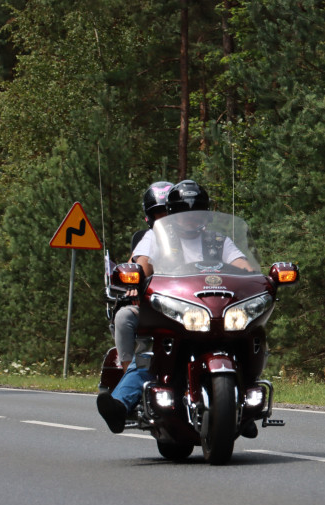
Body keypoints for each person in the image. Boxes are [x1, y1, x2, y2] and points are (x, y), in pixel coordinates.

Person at [96, 179, 252, 434]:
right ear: (173, 214)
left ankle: (243, 404)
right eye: (183, 212)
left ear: (205, 213)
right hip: (167, 310)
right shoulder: (155, 237)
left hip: (212, 310)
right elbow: (142, 264)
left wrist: (259, 278)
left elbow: (245, 266)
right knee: (152, 356)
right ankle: (121, 404)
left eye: (196, 211)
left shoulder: (218, 240)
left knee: (245, 335)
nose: (190, 217)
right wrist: (135, 277)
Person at [111, 181, 172, 372]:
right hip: (157, 307)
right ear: (150, 216)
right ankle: (128, 372)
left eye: (170, 211)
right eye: (159, 213)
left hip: (197, 307)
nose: (166, 218)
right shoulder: (153, 237)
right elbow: (140, 268)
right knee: (123, 317)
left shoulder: (208, 238)